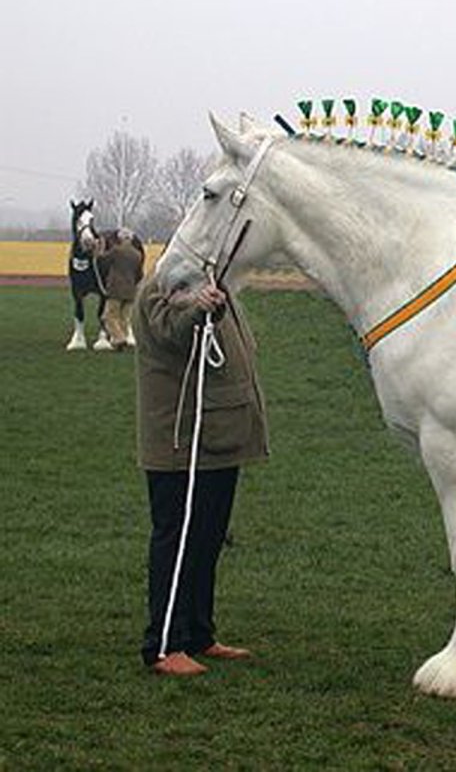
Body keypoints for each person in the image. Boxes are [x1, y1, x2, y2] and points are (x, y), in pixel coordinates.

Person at [133, 272, 268, 676]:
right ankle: (164, 646)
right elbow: (170, 330)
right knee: (176, 543)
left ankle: (197, 634)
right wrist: (198, 309)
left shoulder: (206, 282)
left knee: (206, 541)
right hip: (181, 443)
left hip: (215, 440)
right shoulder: (158, 288)